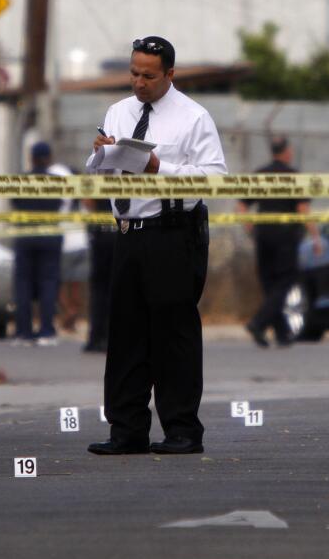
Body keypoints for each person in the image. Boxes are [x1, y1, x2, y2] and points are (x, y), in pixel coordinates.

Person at [86, 36, 227, 456]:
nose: (139, 83)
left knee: (173, 333)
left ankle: (182, 429)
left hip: (172, 232)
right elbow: (99, 176)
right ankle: (126, 429)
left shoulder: (193, 117)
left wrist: (156, 165)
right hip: (128, 232)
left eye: (148, 75)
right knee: (126, 333)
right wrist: (99, 157)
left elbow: (215, 178)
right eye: (133, 73)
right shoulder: (118, 111)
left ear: (169, 74)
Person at [237, 136, 323, 348]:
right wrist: (315, 237)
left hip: (264, 234)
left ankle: (282, 332)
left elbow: (241, 207)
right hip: (285, 237)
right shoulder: (293, 176)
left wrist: (252, 230)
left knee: (269, 283)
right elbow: (303, 210)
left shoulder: (261, 174)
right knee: (285, 281)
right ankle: (258, 322)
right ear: (286, 151)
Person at [11, 142, 64, 346]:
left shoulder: (20, 180)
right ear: (49, 158)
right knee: (48, 284)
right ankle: (46, 331)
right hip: (50, 236)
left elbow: (15, 202)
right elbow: (59, 204)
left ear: (31, 158)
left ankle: (23, 332)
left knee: (23, 284)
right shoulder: (56, 182)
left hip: (25, 236)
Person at [82, 196, 115, 353]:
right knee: (117, 288)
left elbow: (87, 201)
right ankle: (111, 338)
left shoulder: (98, 171)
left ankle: (96, 337)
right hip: (121, 231)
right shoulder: (129, 173)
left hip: (100, 233)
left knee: (99, 289)